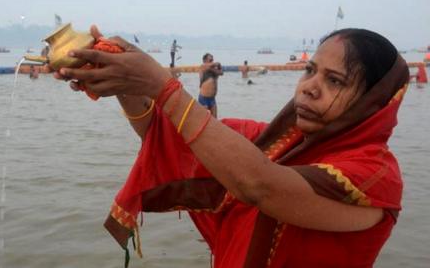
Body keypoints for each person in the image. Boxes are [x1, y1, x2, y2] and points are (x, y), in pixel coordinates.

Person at [55, 27, 409, 267]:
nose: (308, 88)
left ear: (375, 103)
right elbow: (172, 136)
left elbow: (261, 186)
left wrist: (162, 85)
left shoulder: (375, 175)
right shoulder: (277, 144)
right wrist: (120, 78)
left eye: (334, 81)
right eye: (310, 71)